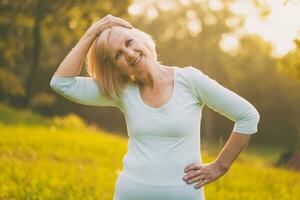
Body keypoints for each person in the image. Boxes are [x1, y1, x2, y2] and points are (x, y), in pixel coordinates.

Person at [50, 14, 260, 200]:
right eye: (118, 55)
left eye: (129, 42)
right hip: (130, 193)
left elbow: (248, 116)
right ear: (116, 68)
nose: (130, 54)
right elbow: (61, 83)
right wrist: (93, 31)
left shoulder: (190, 80)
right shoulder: (122, 90)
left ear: (141, 38)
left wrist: (220, 166)